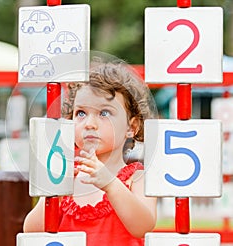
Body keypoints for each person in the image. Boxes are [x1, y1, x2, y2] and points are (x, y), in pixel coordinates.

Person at [23, 61, 157, 245]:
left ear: (131, 127)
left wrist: (110, 184)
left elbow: (143, 226)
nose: (89, 124)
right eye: (81, 113)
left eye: (104, 113)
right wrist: (53, 194)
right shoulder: (67, 175)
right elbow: (32, 231)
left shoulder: (136, 178)